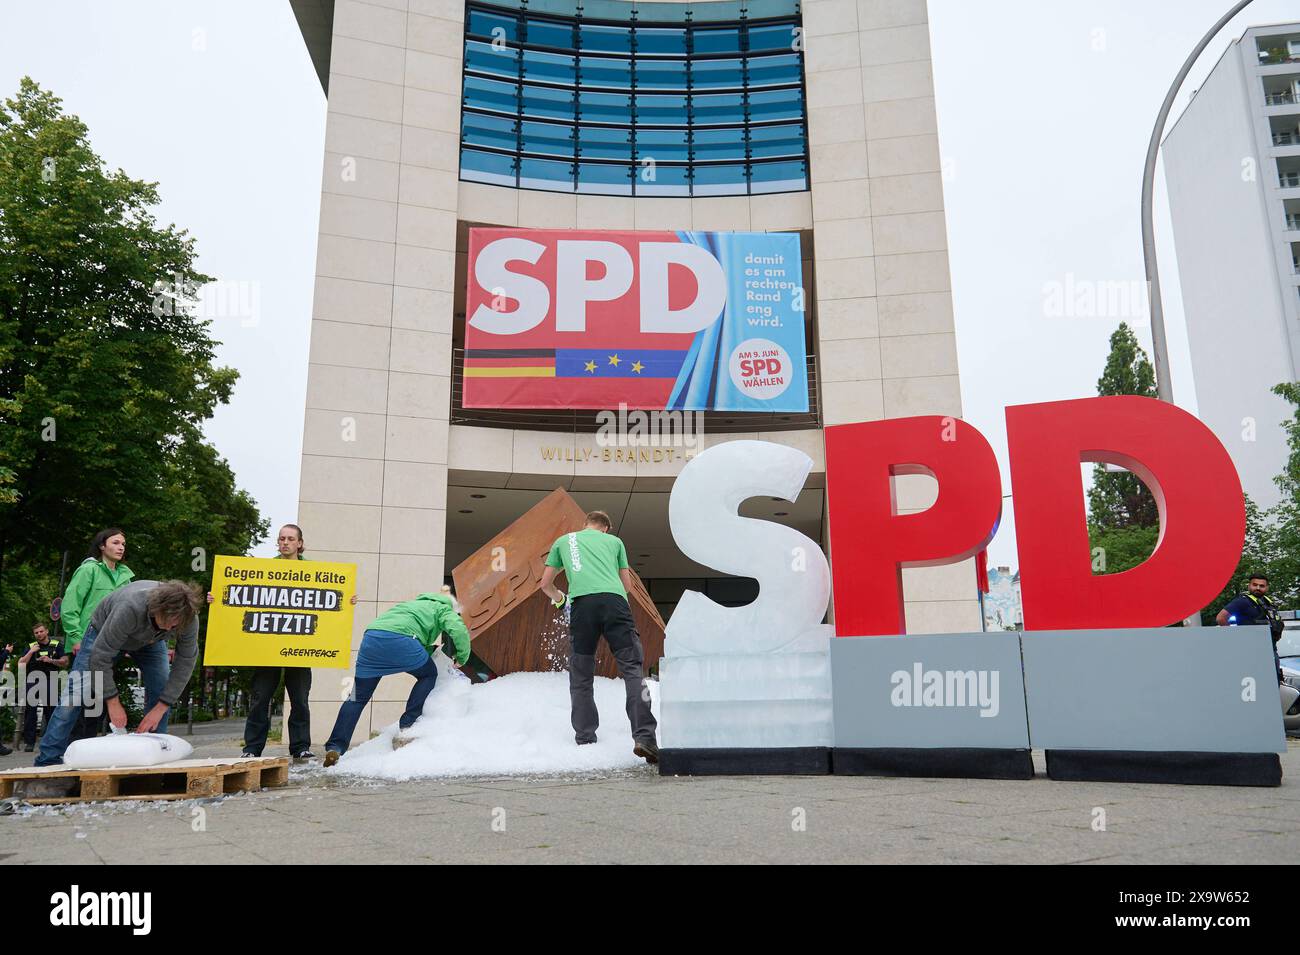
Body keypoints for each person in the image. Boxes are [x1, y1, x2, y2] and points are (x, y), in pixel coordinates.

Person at [35, 580, 203, 767]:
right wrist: (112, 702)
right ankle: (47, 760)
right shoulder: (131, 606)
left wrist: (161, 707)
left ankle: (155, 759)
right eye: (167, 622)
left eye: (175, 626)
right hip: (103, 634)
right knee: (75, 694)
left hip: (151, 642)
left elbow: (186, 661)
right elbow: (100, 657)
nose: (169, 629)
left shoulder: (188, 618)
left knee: (161, 686)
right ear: (157, 608)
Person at [540, 510, 659, 764]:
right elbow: (627, 586)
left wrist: (562, 601)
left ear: (586, 524)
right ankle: (645, 737)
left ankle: (585, 737)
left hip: (582, 606)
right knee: (632, 671)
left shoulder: (564, 541)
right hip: (615, 603)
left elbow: (545, 584)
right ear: (606, 528)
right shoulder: (615, 543)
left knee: (581, 673)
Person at [233, 524, 356, 762]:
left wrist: (347, 598)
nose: (285, 542)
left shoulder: (314, 572)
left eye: (290, 539)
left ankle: (300, 747)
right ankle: (253, 747)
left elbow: (331, 597)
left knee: (299, 699)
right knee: (260, 699)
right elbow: (243, 595)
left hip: (299, 650)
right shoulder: (263, 570)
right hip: (267, 649)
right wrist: (217, 597)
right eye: (281, 539)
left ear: (300, 543)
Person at [322, 591, 471, 767]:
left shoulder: (409, 606)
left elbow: (411, 636)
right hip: (400, 640)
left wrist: (431, 650)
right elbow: (458, 629)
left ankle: (335, 747)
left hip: (371, 639)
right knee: (428, 674)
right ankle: (408, 723)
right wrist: (462, 657)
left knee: (356, 697)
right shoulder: (442, 609)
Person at [61, 528, 134, 740]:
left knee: (98, 701)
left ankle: (89, 749)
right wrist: (76, 638)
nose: (121, 547)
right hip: (86, 644)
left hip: (111, 647)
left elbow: (128, 614)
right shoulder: (89, 570)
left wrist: (128, 645)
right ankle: (67, 750)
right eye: (115, 542)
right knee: (77, 700)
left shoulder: (125, 577)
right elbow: (69, 606)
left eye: (123, 544)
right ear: (102, 545)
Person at [1217, 574, 1286, 682]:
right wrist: (1236, 637)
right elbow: (1221, 618)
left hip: (1270, 649)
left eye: (1262, 586)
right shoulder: (1242, 601)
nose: (1258, 588)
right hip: (1250, 651)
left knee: (1272, 682)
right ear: (1249, 586)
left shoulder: (1268, 603)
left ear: (1267, 588)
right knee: (1255, 683)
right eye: (1255, 585)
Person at [18, 623, 68, 752]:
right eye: (36, 633)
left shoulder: (57, 645)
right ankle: (29, 743)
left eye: (41, 631)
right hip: (32, 681)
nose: (39, 634)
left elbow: (65, 662)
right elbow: (21, 664)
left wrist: (50, 660)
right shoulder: (31, 646)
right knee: (30, 712)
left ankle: (51, 741)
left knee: (50, 712)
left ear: (46, 631)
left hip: (50, 680)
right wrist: (30, 652)